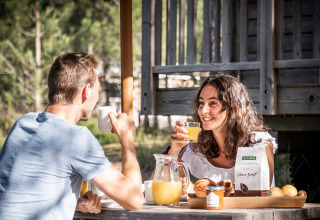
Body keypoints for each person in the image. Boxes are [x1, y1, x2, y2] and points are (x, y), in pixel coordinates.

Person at [0, 52, 144, 220]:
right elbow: (134, 200)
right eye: (98, 90)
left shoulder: (23, 123)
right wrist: (127, 139)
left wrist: (71, 201)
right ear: (86, 92)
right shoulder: (76, 137)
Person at [164, 74, 277, 190]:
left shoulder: (258, 144)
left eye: (213, 103)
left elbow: (253, 194)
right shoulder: (199, 147)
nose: (203, 111)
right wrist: (174, 150)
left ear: (235, 108)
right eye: (201, 103)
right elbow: (160, 186)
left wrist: (199, 191)